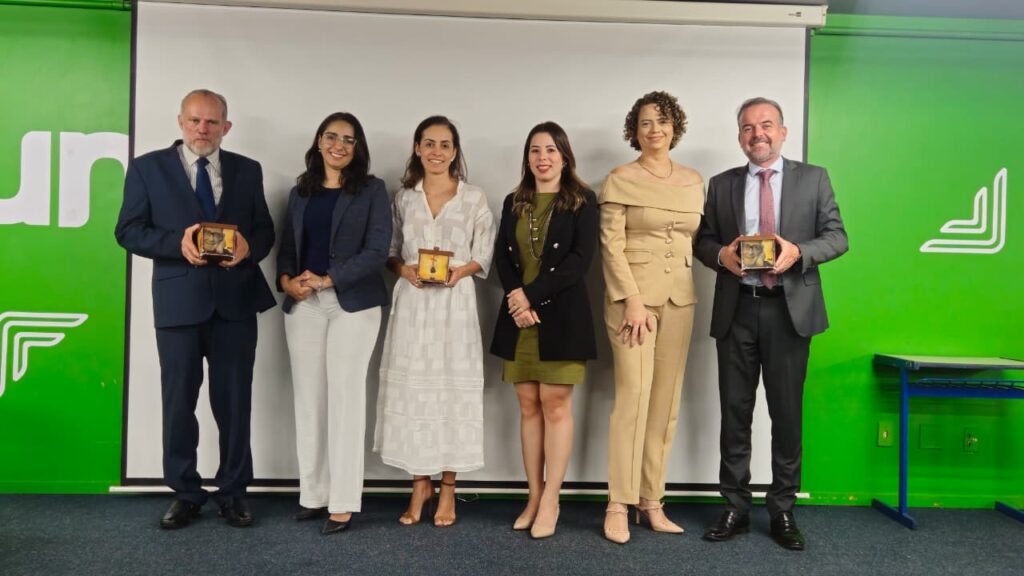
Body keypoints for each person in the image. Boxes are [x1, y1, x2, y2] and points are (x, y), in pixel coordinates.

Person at [115, 89, 275, 529]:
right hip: (178, 305)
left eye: (212, 122)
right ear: (181, 122)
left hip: (235, 305)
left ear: (226, 127)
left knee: (235, 404)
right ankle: (185, 492)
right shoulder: (147, 168)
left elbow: (264, 229)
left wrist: (248, 247)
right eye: (194, 120)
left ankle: (233, 492)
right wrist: (176, 244)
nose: (202, 129)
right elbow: (128, 231)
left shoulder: (248, 170)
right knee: (178, 403)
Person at [695, 97, 848, 551]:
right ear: (739, 136)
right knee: (734, 414)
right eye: (747, 127)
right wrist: (721, 256)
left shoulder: (813, 178)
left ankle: (782, 509)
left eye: (766, 125)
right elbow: (703, 241)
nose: (757, 134)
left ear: (783, 132)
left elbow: (838, 237)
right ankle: (735, 506)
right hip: (737, 310)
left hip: (789, 311)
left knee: (786, 414)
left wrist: (799, 252)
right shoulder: (722, 184)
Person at [373, 116, 495, 527]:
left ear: (455, 151)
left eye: (445, 145)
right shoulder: (403, 198)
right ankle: (419, 484)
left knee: (451, 393)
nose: (437, 152)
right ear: (417, 148)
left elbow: (484, 252)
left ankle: (447, 489)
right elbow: (390, 250)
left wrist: (461, 271)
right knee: (414, 391)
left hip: (454, 306)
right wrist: (404, 270)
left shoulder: (473, 197)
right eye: (429, 143)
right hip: (413, 304)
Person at [276, 112, 392, 535]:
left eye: (348, 139)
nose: (339, 145)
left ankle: (343, 502)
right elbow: (288, 249)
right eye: (331, 137)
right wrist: (287, 282)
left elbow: (377, 251)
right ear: (319, 141)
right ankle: (314, 494)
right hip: (304, 304)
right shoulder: (300, 192)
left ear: (357, 147)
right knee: (309, 400)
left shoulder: (372, 190)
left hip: (352, 304)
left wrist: (328, 279)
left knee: (345, 398)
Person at [599, 91, 705, 544]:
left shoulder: (694, 180)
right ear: (634, 131)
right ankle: (617, 503)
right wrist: (632, 299)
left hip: (680, 299)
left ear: (674, 127)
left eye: (662, 121)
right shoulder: (620, 178)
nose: (654, 129)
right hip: (632, 303)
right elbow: (610, 244)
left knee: (665, 403)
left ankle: (651, 500)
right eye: (645, 123)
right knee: (633, 398)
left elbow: (695, 239)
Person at [490, 122, 598, 540]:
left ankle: (552, 499)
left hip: (562, 317)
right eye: (535, 150)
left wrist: (529, 296)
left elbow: (579, 261)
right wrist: (517, 300)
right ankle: (533, 497)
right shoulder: (514, 201)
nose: (543, 158)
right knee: (528, 405)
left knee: (555, 405)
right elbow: (503, 256)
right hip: (519, 317)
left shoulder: (582, 201)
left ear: (565, 156)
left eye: (551, 150)